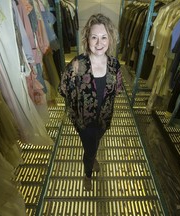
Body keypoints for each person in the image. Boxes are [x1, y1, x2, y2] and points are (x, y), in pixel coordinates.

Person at [58, 13, 123, 190]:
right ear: (87, 39)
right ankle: (87, 173)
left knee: (96, 140)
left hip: (103, 118)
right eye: (94, 37)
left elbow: (116, 89)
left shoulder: (114, 64)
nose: (99, 43)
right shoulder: (77, 64)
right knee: (89, 147)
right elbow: (64, 88)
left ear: (110, 39)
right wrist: (77, 108)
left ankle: (92, 157)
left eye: (104, 37)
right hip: (84, 121)